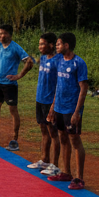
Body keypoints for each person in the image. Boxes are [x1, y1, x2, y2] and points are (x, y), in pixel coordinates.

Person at [47, 33, 89, 189]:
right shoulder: (59, 61)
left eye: (58, 44)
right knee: (62, 138)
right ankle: (66, 172)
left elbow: (83, 88)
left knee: (75, 141)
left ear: (66, 45)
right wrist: (52, 106)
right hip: (59, 107)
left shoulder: (79, 63)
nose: (56, 47)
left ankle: (79, 178)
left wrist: (77, 111)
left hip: (71, 108)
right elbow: (58, 84)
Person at [0, 23, 32, 149]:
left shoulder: (15, 48)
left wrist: (19, 75)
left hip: (10, 84)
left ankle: (14, 139)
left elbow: (29, 62)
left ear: (10, 34)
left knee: (13, 110)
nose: (1, 36)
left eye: (4, 33)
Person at [28, 32, 60, 175]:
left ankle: (55, 164)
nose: (40, 46)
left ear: (51, 45)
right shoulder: (42, 59)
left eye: (42, 44)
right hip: (40, 99)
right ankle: (44, 160)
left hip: (49, 101)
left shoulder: (58, 60)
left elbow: (60, 84)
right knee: (43, 131)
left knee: (53, 133)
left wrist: (53, 104)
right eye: (39, 44)